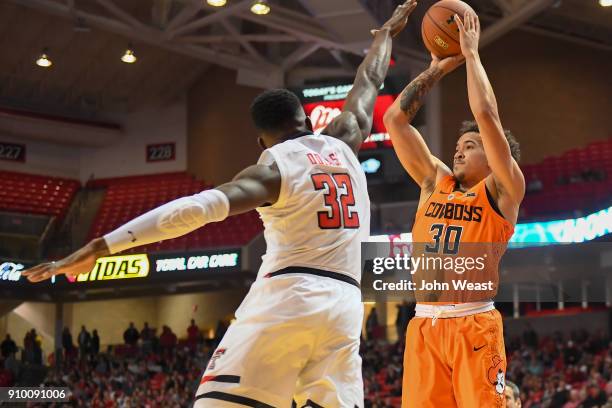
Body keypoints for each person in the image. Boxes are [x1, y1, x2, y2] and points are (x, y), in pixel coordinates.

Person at [22, 2, 417, 405]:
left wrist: (99, 247)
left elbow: (192, 210)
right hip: (346, 305)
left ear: (262, 140)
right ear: (304, 119)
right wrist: (385, 34)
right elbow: (369, 78)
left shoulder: (272, 170)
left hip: (289, 296)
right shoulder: (345, 136)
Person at [383, 10, 524, 408]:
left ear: (497, 158)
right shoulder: (434, 182)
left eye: (470, 146)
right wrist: (435, 69)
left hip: (473, 324)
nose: (458, 151)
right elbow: (395, 119)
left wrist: (472, 55)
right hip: (424, 324)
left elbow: (486, 115)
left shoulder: (503, 190)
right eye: (458, 146)